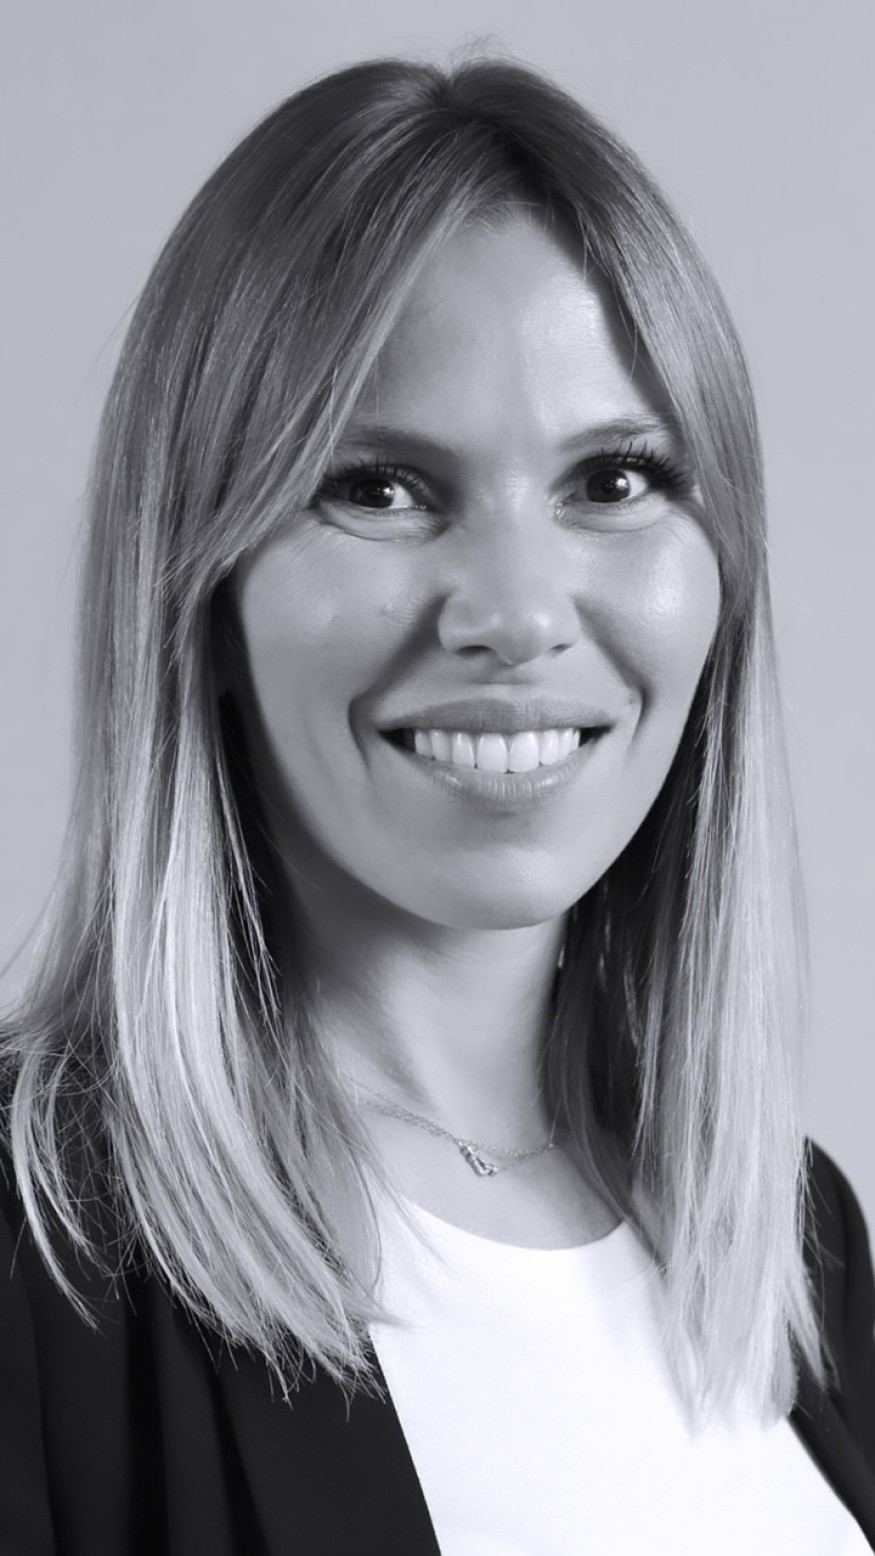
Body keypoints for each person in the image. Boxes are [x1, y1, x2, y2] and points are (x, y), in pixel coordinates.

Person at [1, 53, 873, 1555]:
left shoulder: (797, 1244)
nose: (519, 615)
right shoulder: (37, 1258)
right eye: (382, 488)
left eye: (615, 480)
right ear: (199, 590)